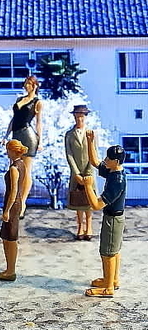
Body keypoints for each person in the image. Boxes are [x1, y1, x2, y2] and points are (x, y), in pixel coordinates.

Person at [81, 133, 127, 298]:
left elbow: (96, 205)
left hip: (113, 219)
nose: (105, 160)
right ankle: (112, 279)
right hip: (114, 218)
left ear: (116, 161)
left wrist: (88, 186)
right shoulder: (113, 171)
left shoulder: (117, 180)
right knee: (114, 250)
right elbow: (95, 162)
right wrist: (90, 141)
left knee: (107, 252)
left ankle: (108, 288)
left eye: (109, 158)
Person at [4, 75, 43, 218]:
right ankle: (14, 199)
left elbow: (39, 122)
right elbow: (13, 119)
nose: (26, 86)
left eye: (29, 83)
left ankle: (23, 202)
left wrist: (40, 140)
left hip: (28, 135)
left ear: (35, 86)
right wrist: (6, 135)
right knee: (15, 169)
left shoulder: (37, 102)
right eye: (25, 83)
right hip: (16, 135)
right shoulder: (19, 100)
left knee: (26, 170)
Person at [0, 140, 29, 282]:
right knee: (7, 236)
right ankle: (9, 268)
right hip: (15, 202)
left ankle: (11, 270)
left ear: (13, 151)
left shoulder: (15, 168)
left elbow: (13, 191)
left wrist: (7, 210)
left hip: (12, 204)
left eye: (8, 149)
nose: (7, 152)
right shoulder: (22, 164)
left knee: (10, 237)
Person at [64, 105, 98, 241]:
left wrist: (89, 171)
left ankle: (89, 226)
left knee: (89, 199)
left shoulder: (91, 133)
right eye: (77, 117)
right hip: (76, 173)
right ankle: (80, 226)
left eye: (82, 117)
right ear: (74, 117)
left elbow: (94, 153)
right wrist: (76, 173)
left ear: (85, 117)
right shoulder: (69, 134)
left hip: (89, 171)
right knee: (78, 200)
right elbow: (69, 154)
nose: (79, 120)